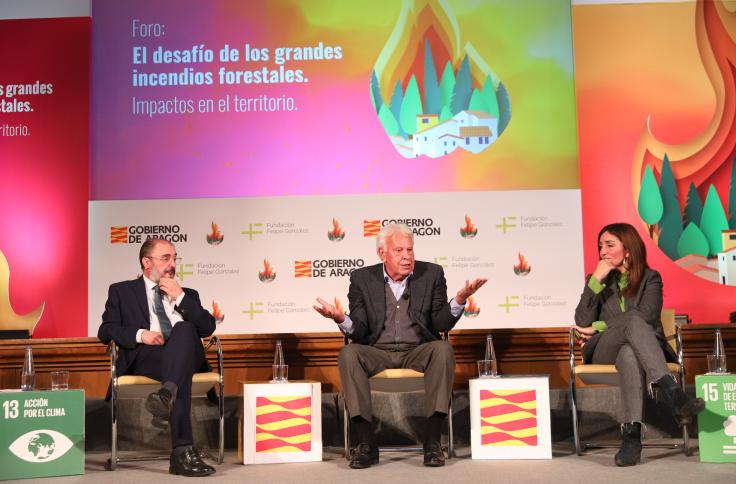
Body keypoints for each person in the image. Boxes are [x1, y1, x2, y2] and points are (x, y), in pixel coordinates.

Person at [314, 223, 487, 469]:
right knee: (348, 353)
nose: (407, 256)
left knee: (443, 349)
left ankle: (432, 441)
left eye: (410, 250)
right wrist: (340, 318)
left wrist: (459, 300)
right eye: (399, 251)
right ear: (382, 253)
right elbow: (360, 329)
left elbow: (440, 323)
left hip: (417, 351)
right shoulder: (362, 279)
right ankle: (365, 443)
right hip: (377, 353)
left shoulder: (432, 274)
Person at [573, 222, 704, 467]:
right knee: (630, 326)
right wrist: (595, 284)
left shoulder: (650, 278)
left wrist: (599, 326)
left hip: (638, 350)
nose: (603, 251)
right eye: (600, 246)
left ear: (629, 249)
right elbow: (582, 321)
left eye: (610, 245)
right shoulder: (596, 281)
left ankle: (631, 438)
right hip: (604, 350)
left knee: (629, 352)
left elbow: (648, 315)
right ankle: (673, 393)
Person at [98, 238, 217, 477]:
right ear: (146, 262)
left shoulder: (188, 294)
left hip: (187, 355)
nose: (172, 264)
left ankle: (167, 394)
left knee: (184, 330)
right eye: (166, 258)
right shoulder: (121, 291)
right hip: (147, 357)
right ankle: (181, 451)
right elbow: (106, 330)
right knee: (178, 373)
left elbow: (207, 327)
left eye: (175, 258)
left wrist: (180, 296)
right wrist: (142, 335)